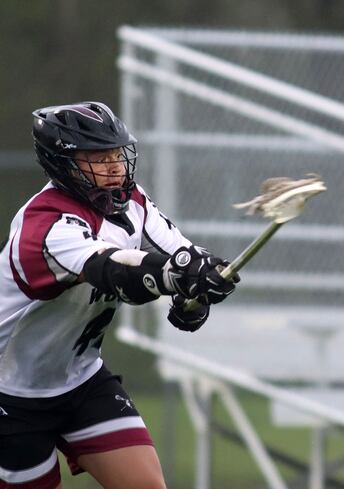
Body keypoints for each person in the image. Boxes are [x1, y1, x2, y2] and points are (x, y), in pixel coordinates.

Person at [0, 101, 239, 489]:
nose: (113, 166)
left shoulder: (132, 202)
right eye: (96, 157)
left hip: (81, 381)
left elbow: (181, 256)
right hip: (10, 398)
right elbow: (114, 270)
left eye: (115, 154)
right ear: (62, 162)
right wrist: (173, 277)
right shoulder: (44, 226)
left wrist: (202, 284)